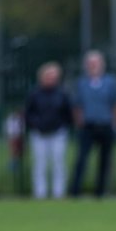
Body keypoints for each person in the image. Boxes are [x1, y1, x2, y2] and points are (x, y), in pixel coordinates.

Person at [70, 49, 116, 198]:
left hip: (105, 125)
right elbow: (76, 105)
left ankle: (99, 192)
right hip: (87, 126)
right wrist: (79, 121)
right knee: (82, 159)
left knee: (104, 160)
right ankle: (75, 191)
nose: (93, 66)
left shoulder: (111, 82)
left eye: (96, 63)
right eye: (90, 63)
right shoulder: (81, 83)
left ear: (102, 65)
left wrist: (115, 121)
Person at [23, 61, 74, 200]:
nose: (51, 79)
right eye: (48, 76)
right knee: (40, 164)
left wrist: (62, 125)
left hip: (58, 133)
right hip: (39, 134)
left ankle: (59, 193)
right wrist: (35, 124)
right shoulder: (34, 94)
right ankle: (40, 193)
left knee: (58, 163)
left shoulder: (62, 94)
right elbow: (28, 114)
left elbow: (68, 114)